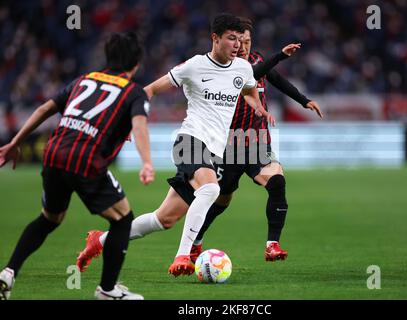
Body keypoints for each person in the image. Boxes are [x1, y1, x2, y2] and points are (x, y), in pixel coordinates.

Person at [76, 13, 273, 277]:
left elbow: (249, 90)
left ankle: (98, 241)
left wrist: (257, 106)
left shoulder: (243, 68)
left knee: (163, 219)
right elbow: (150, 89)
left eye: (240, 39)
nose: (238, 45)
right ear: (215, 38)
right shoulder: (194, 66)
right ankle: (183, 255)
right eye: (231, 38)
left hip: (210, 152)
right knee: (212, 188)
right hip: (189, 141)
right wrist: (125, 119)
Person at [0, 32, 154, 300]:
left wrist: (15, 142)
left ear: (108, 57)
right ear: (136, 63)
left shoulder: (84, 79)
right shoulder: (134, 92)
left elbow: (43, 110)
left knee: (50, 218)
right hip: (85, 159)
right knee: (123, 219)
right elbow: (139, 126)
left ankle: (8, 272)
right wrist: (147, 162)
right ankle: (107, 291)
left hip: (54, 153)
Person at [189, 17, 323, 262]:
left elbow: (276, 80)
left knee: (277, 182)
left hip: (258, 142)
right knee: (221, 200)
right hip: (229, 146)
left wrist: (304, 100)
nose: (244, 47)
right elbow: (253, 74)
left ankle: (272, 244)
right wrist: (280, 55)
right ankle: (195, 241)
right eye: (240, 41)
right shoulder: (225, 68)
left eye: (248, 41)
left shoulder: (257, 60)